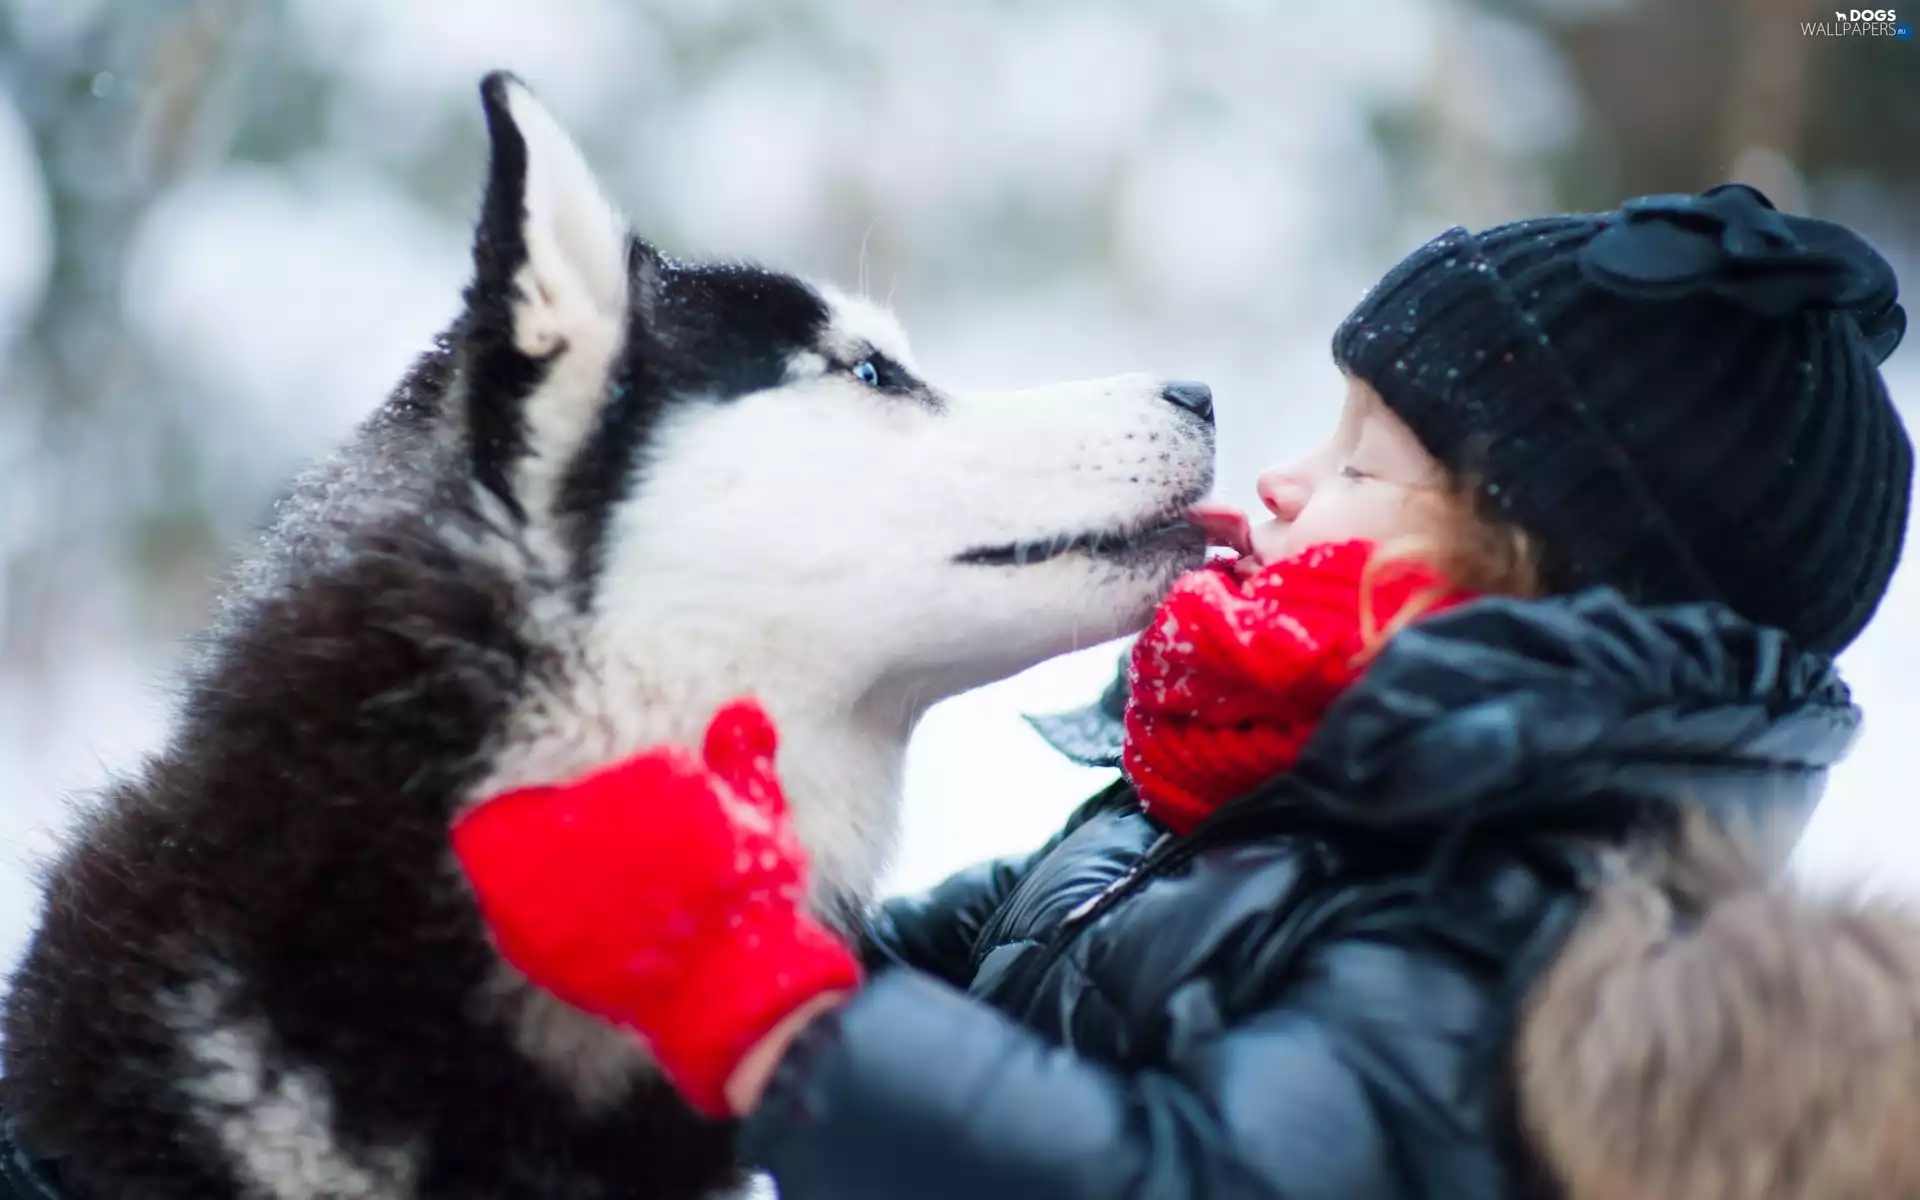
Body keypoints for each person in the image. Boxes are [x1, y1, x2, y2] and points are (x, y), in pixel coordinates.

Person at [453, 183, 1920, 1199]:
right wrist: (734, 903)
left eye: (1362, 463)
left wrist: (766, 1015)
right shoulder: (1262, 786)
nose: (1284, 475)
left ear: (1526, 568)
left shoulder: (1515, 919)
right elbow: (952, 992)